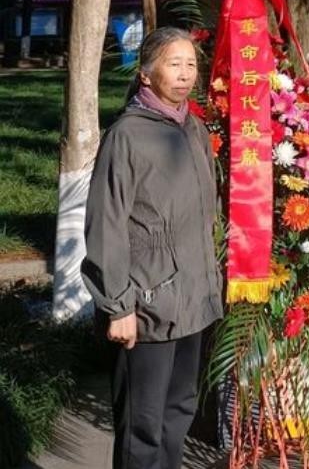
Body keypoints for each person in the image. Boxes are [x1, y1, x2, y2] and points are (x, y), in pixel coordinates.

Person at [81, 27, 223, 469]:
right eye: (173, 64)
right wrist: (118, 306)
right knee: (142, 428)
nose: (185, 74)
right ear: (145, 74)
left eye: (191, 64)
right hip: (146, 306)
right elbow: (106, 224)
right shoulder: (127, 135)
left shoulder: (192, 128)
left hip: (191, 302)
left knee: (177, 414)